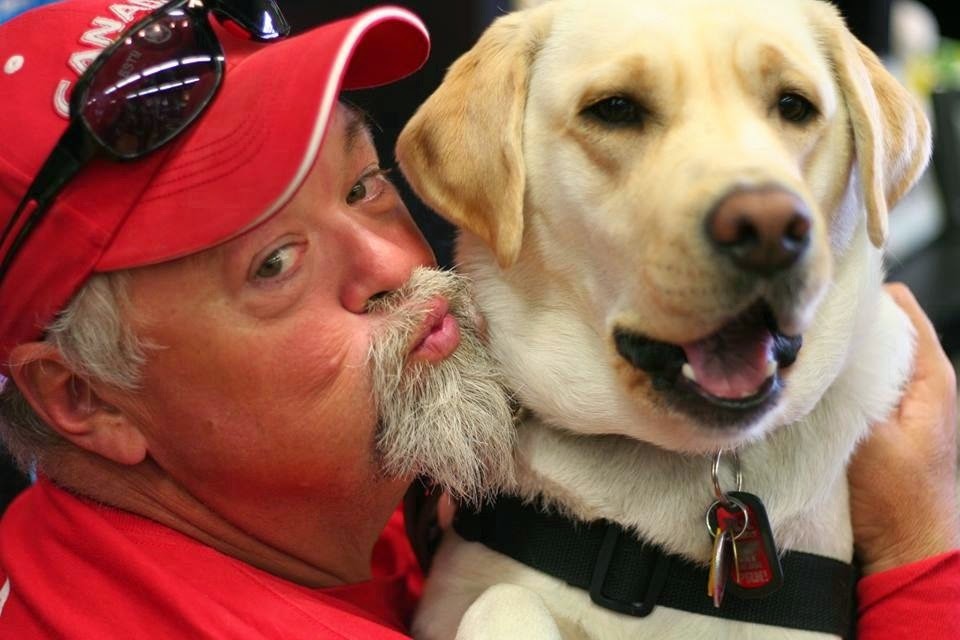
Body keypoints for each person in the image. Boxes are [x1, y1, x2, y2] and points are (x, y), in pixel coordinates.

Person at [0, 1, 955, 638]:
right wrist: (921, 554)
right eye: (275, 263)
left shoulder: (326, 503)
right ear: (85, 398)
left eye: (363, 183)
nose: (398, 263)